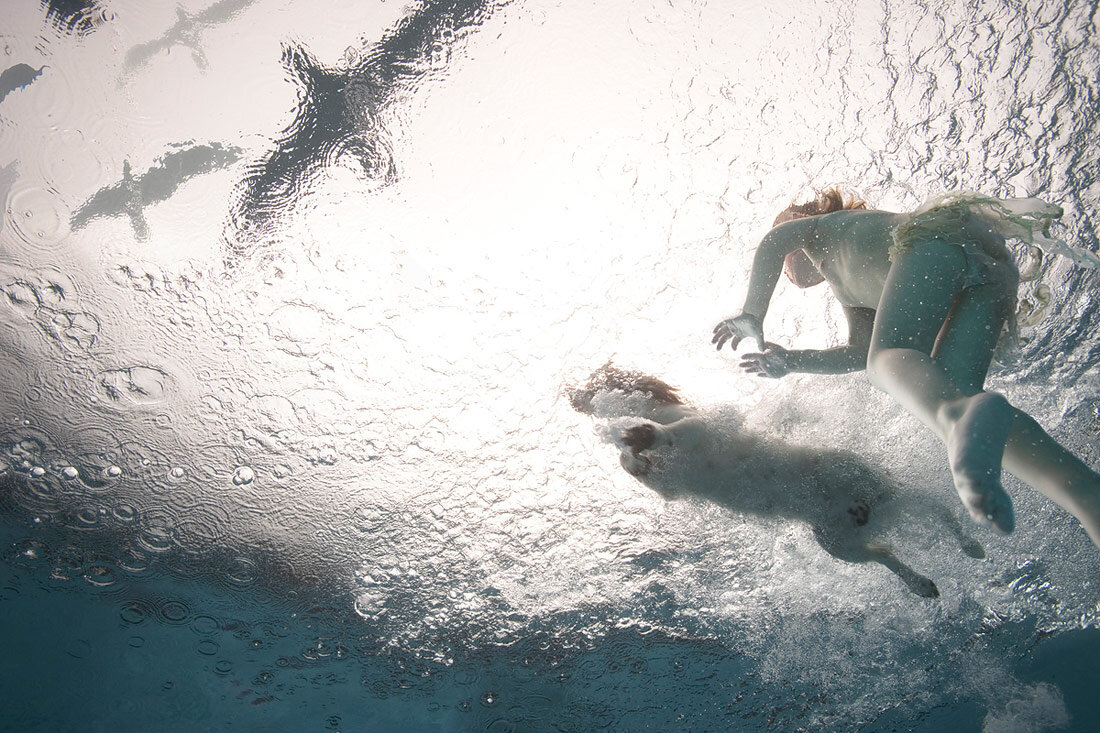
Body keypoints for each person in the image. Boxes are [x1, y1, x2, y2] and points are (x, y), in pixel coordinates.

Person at [712, 188, 1100, 549]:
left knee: (889, 364)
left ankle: (959, 417)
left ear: (797, 217)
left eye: (784, 265)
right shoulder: (848, 283)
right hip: (990, 266)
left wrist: (753, 312)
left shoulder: (819, 230)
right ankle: (1084, 495)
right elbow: (857, 351)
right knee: (947, 393)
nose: (782, 270)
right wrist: (791, 361)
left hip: (933, 239)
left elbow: (773, 242)